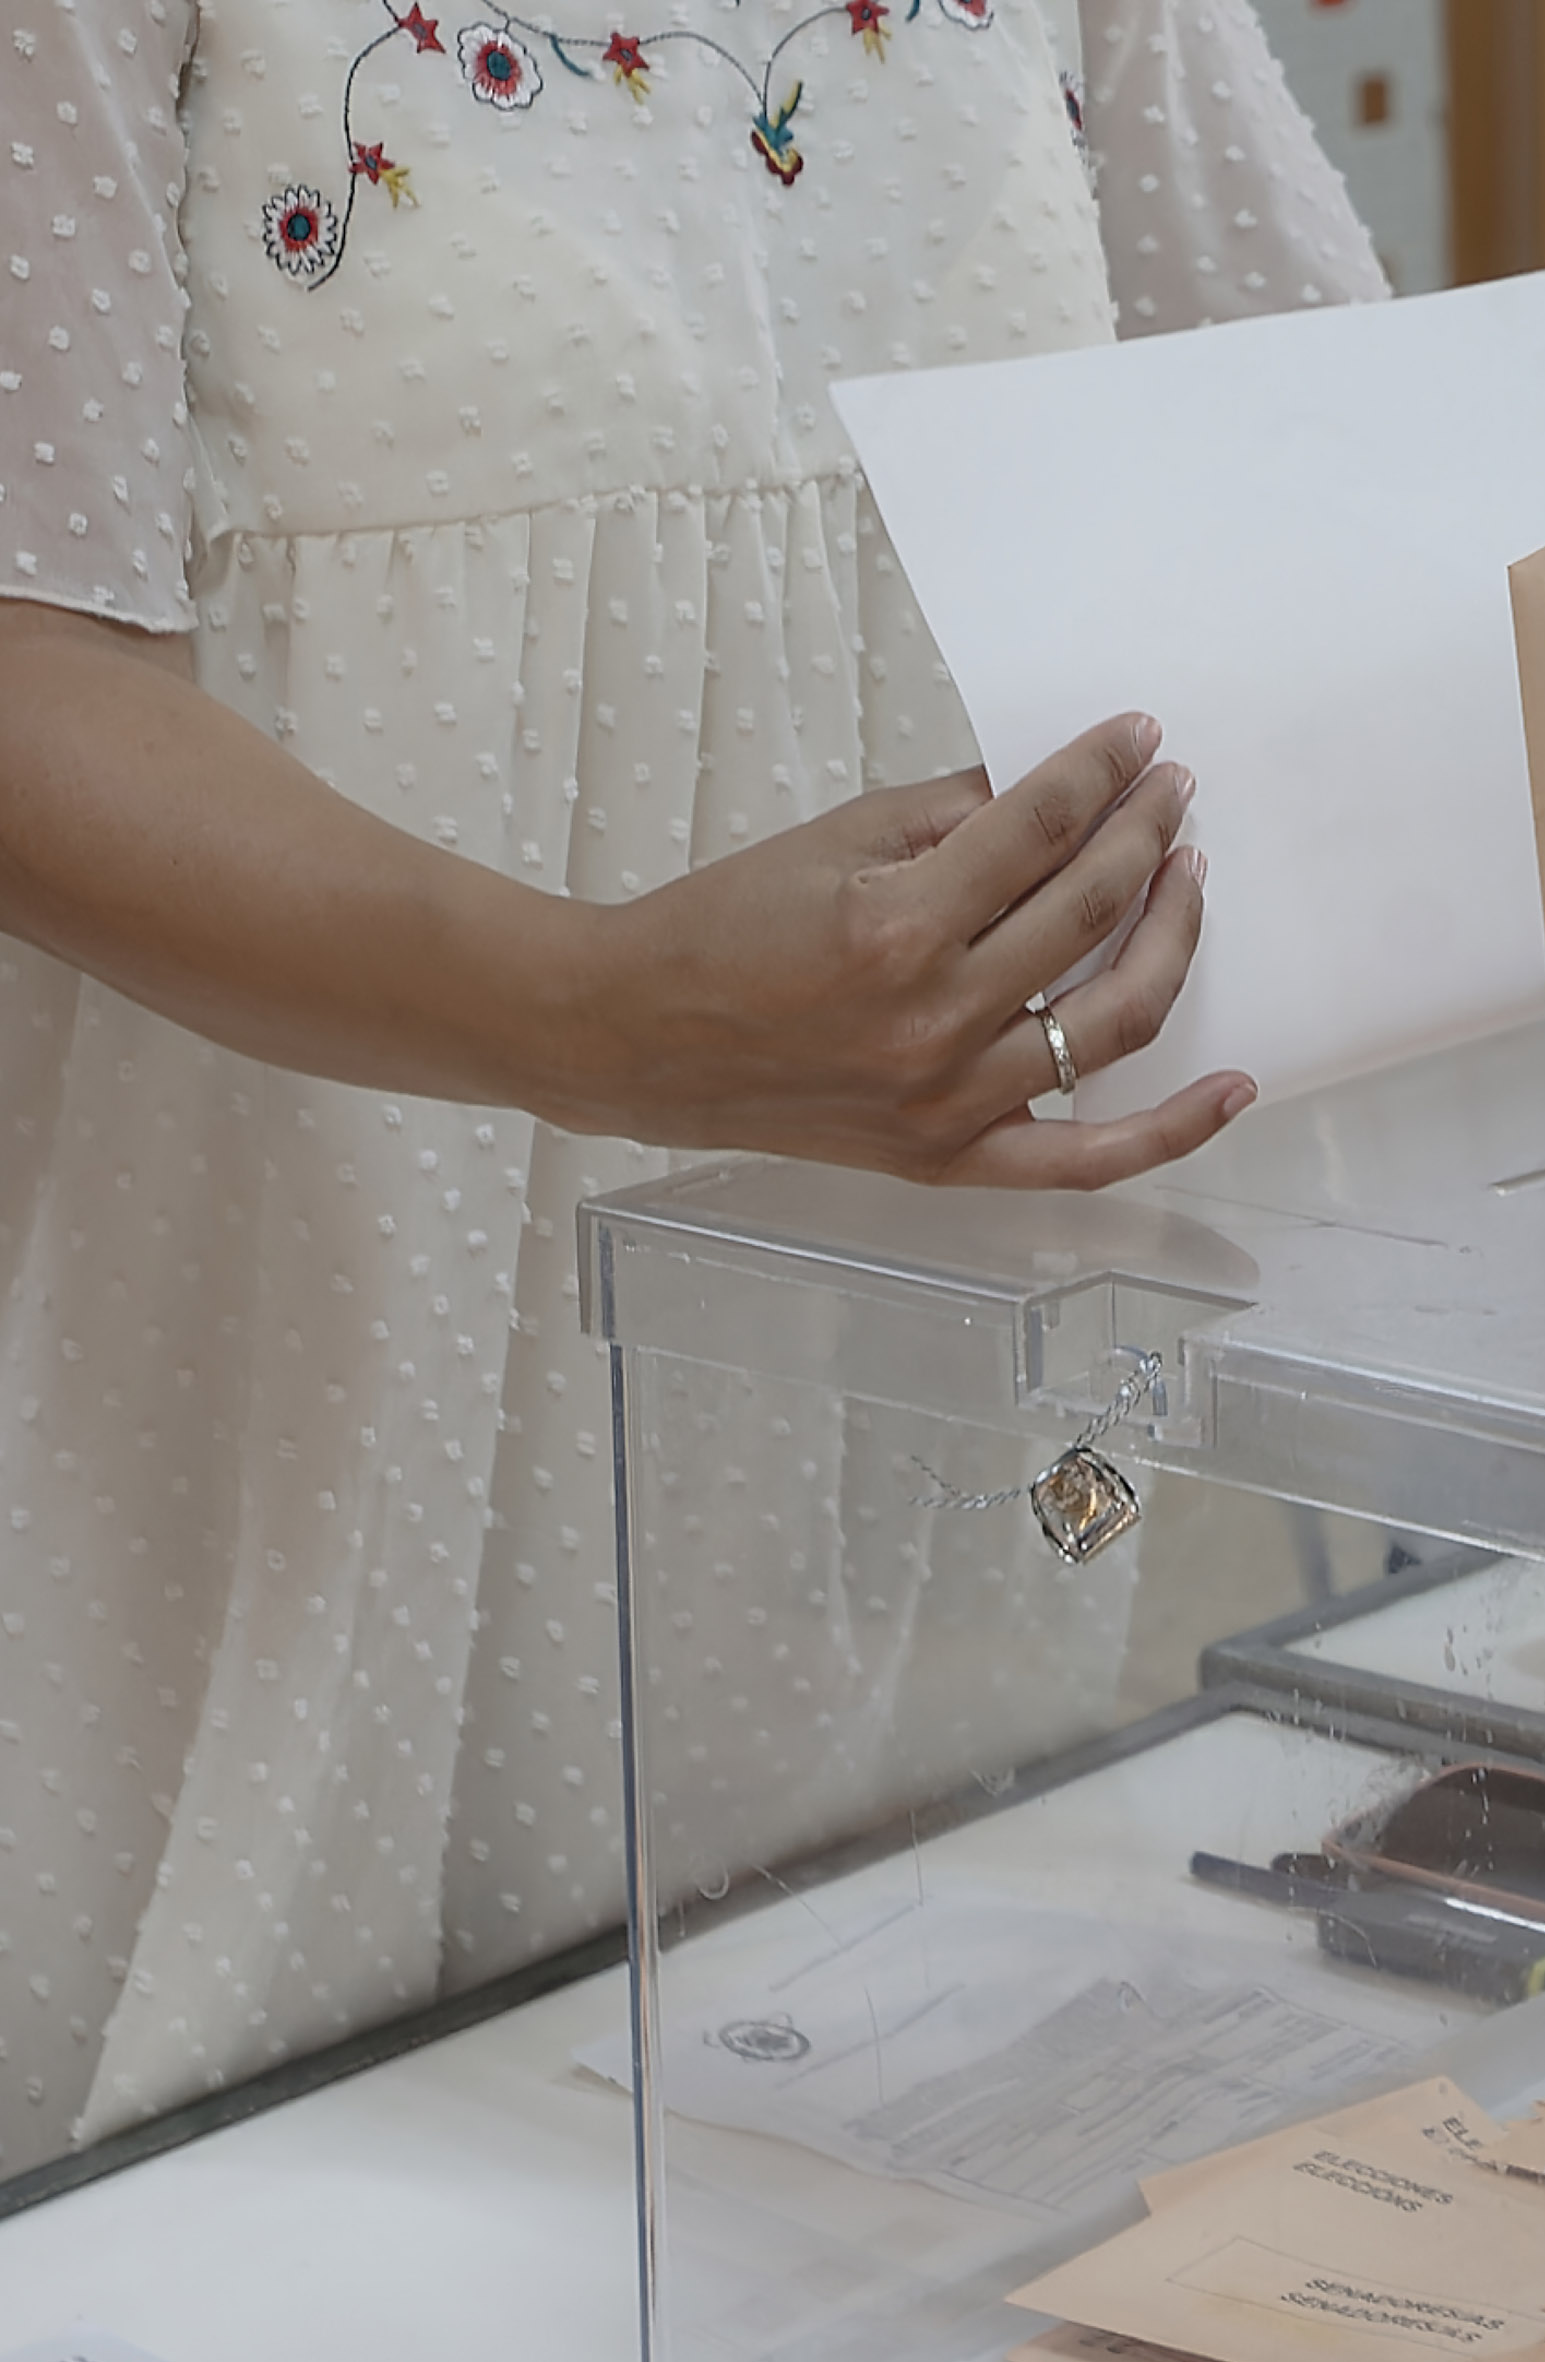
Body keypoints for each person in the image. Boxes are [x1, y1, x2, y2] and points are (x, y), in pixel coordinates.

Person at [0, 0, 1384, 2173]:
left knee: (879, 2174)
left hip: (934, 1401)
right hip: (323, 1379)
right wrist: (601, 1010)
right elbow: (22, 661)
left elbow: (1326, 451)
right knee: (284, 2197)